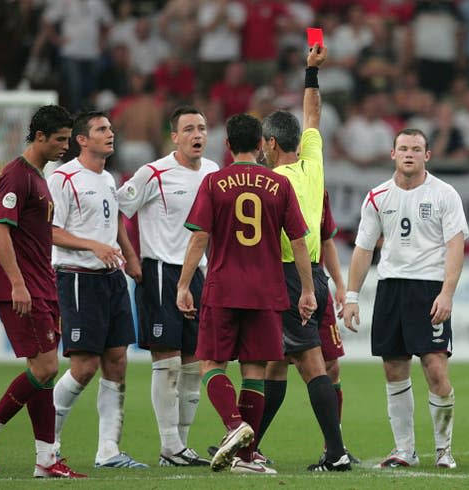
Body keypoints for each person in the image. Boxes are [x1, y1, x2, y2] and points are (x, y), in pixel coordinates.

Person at [176, 112, 317, 475]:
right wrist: (307, 289)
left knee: (211, 364)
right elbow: (299, 240)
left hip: (223, 286)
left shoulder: (214, 182)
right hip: (267, 290)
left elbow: (199, 237)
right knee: (254, 370)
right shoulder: (278, 184)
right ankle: (246, 456)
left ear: (226, 145)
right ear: (260, 144)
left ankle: (234, 425)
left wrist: (183, 284)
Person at [343, 128, 469, 470]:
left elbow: (456, 246)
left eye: (416, 148)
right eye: (403, 148)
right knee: (393, 368)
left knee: (435, 369)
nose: (409, 153)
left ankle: (444, 450)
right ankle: (405, 450)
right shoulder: (377, 196)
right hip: (390, 288)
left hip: (428, 288)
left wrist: (447, 292)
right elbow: (363, 248)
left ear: (427, 155)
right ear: (393, 154)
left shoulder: (445, 194)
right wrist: (351, 295)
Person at [0, 105, 85, 478]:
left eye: (68, 139)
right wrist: (19, 283)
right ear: (39, 136)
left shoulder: (39, 177)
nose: (65, 147)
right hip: (25, 288)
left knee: (45, 373)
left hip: (42, 284)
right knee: (47, 366)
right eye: (60, 140)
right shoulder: (16, 176)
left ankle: (46, 459)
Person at [260, 43, 351, 472]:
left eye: (263, 142)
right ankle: (249, 446)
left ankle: (336, 453)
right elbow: (312, 113)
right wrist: (311, 72)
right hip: (309, 273)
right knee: (276, 364)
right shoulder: (313, 166)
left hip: (290, 276)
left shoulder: (269, 182)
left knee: (307, 361)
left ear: (271, 143)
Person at [117, 106, 219, 466]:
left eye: (202, 128)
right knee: (168, 361)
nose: (197, 135)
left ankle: (179, 447)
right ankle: (168, 444)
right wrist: (130, 257)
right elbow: (117, 209)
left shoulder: (212, 172)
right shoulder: (153, 173)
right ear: (174, 136)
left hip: (200, 274)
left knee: (195, 363)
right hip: (161, 272)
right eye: (189, 129)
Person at [47, 111, 146, 469]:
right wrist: (92, 246)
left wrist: (131, 258)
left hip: (112, 277)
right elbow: (50, 231)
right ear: (81, 140)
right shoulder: (63, 178)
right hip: (78, 278)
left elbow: (115, 220)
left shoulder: (108, 178)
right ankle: (49, 444)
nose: (111, 133)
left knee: (117, 362)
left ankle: (108, 451)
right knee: (84, 367)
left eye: (110, 128)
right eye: (101, 129)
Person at [252, 190, 359, 465]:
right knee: (279, 363)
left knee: (331, 364)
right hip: (287, 285)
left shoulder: (318, 190)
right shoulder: (273, 189)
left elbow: (327, 241)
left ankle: (334, 446)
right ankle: (250, 445)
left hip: (315, 283)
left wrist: (341, 286)